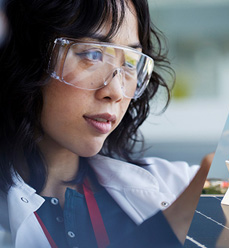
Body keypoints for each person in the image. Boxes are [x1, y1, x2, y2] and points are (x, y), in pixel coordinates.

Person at [0, 0, 210, 247]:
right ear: (28, 56)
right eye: (92, 54)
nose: (116, 91)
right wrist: (170, 227)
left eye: (129, 63)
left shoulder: (173, 184)